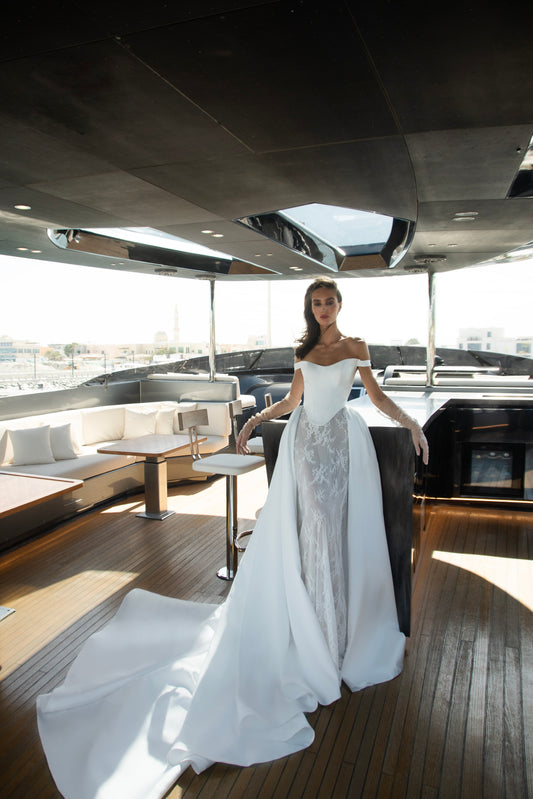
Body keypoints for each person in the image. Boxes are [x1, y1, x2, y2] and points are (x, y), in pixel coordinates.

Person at [37, 278, 428, 799]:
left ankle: (336, 633)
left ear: (340, 305)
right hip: (305, 444)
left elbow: (375, 397)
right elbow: (292, 400)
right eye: (317, 302)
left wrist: (412, 425)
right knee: (312, 528)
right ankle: (313, 631)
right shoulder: (303, 351)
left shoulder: (356, 346)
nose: (324, 308)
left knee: (335, 533)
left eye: (330, 301)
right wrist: (254, 420)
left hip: (342, 443)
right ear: (310, 308)